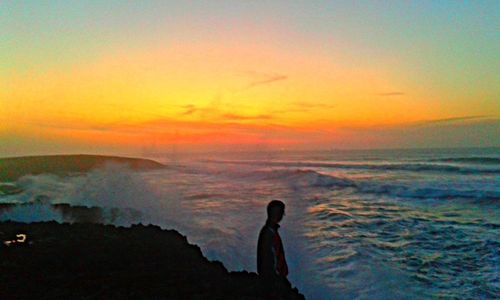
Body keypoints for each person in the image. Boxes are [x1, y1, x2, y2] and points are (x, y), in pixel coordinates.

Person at [257, 200, 297, 299]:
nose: (283, 215)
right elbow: (270, 261)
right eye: (281, 213)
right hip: (273, 282)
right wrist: (278, 281)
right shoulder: (268, 234)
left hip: (274, 280)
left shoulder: (270, 231)